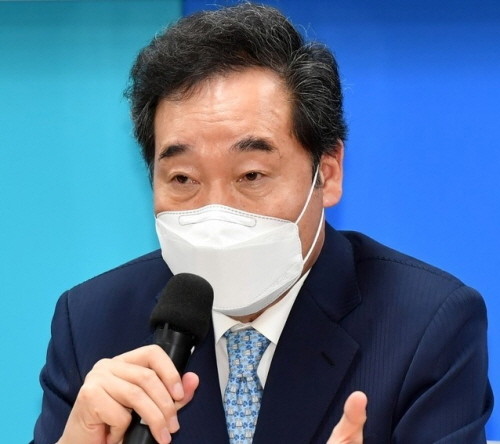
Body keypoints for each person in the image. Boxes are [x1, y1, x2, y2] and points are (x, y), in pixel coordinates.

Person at [32, 3, 493, 444]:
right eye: (183, 178)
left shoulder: (426, 325)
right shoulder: (91, 324)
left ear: (328, 172)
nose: (215, 214)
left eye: (251, 175)